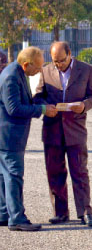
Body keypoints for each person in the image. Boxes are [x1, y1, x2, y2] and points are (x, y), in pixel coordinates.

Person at [35, 42, 92, 227]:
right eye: (55, 62)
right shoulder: (46, 71)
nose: (58, 65)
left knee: (80, 172)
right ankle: (60, 212)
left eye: (62, 61)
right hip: (52, 129)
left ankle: (85, 212)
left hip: (75, 130)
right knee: (54, 173)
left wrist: (84, 105)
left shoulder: (86, 70)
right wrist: (45, 107)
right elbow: (38, 95)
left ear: (70, 54)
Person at [0, 47, 58, 231]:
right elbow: (14, 109)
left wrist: (40, 103)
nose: (40, 71)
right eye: (37, 68)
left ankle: (4, 214)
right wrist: (42, 110)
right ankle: (17, 219)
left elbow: (23, 101)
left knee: (4, 176)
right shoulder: (11, 77)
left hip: (7, 136)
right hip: (9, 137)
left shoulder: (17, 72)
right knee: (14, 175)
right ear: (26, 65)